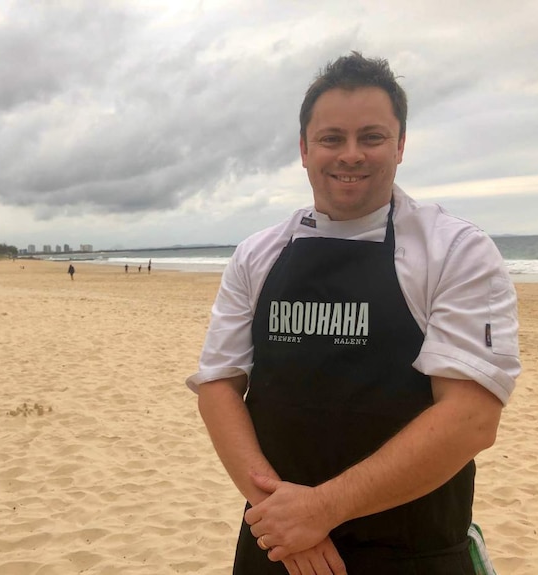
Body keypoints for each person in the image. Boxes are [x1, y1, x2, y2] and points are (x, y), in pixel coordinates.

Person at [187, 52, 520, 575]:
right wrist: (282, 518)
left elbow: (472, 418)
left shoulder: (455, 250)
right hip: (279, 549)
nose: (351, 155)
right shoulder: (258, 254)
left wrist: (321, 510)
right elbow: (218, 388)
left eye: (372, 137)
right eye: (331, 138)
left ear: (401, 145)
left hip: (416, 552)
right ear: (303, 149)